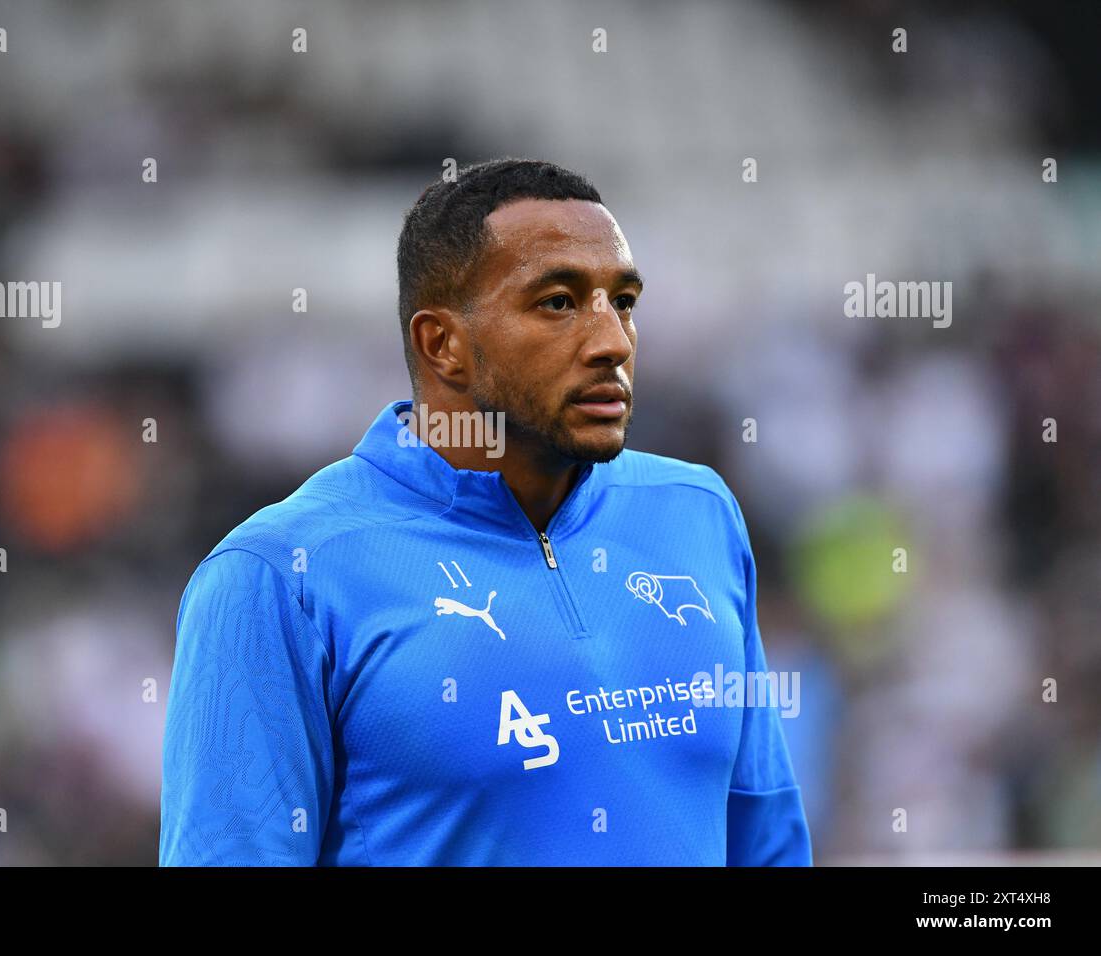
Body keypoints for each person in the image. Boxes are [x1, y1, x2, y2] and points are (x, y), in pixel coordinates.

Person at [159, 158, 813, 865]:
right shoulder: (279, 576)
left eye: (622, 301)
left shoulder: (697, 514)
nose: (613, 342)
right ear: (443, 345)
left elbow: (766, 841)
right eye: (559, 302)